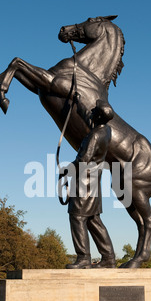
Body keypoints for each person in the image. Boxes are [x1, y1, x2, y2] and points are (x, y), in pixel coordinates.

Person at [62, 95, 116, 269]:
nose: (91, 111)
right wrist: (77, 102)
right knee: (93, 219)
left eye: (94, 110)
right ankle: (109, 258)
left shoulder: (94, 136)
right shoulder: (106, 130)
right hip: (94, 182)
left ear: (98, 116)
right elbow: (89, 118)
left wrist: (66, 169)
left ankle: (84, 258)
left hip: (84, 183)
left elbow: (84, 159)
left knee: (77, 217)